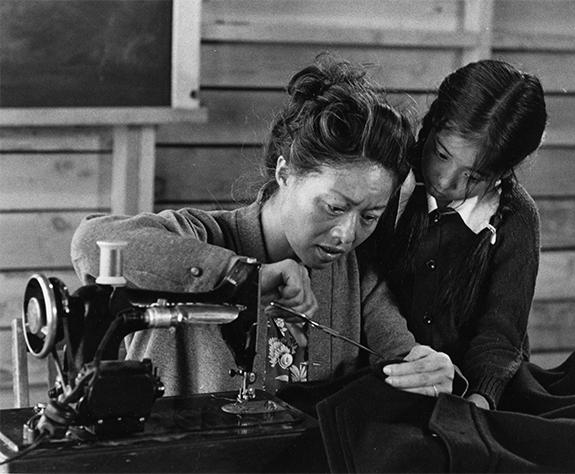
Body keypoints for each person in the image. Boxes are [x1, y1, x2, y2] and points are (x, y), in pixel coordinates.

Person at [70, 53, 455, 399]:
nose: (347, 235)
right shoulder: (202, 235)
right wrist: (239, 276)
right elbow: (90, 242)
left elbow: (403, 358)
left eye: (369, 216)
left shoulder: (359, 278)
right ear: (285, 173)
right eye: (334, 207)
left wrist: (428, 369)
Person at [362, 59, 547, 410]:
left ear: (502, 172)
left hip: (475, 393)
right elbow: (364, 287)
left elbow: (500, 335)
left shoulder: (516, 218)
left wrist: (476, 403)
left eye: (473, 176)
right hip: (385, 377)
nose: (445, 181)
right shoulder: (388, 181)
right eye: (441, 154)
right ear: (431, 124)